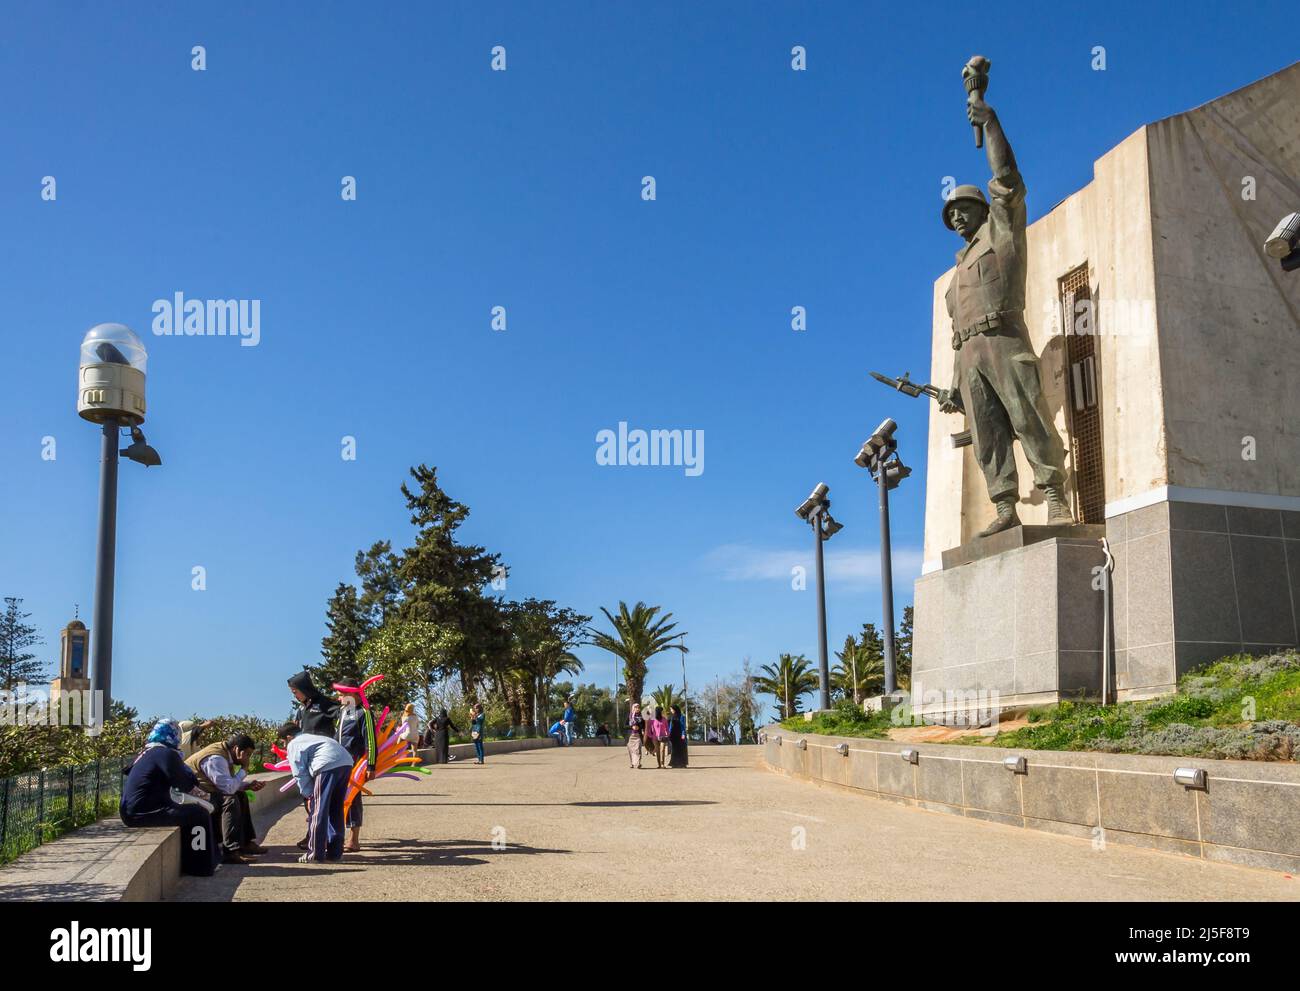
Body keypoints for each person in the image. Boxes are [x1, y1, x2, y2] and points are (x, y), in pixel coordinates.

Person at [934, 82, 1071, 536]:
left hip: (1004, 337)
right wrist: (954, 384)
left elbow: (1008, 180)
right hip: (970, 354)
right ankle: (1005, 504)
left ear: (982, 209)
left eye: (962, 208)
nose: (955, 216)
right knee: (988, 436)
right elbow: (957, 338)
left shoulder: (1002, 233)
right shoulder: (954, 281)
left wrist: (988, 120)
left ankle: (1053, 493)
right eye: (950, 213)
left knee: (1027, 415)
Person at [119, 719, 218, 877]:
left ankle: (193, 862)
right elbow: (183, 784)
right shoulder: (165, 753)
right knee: (199, 814)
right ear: (174, 735)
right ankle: (199, 866)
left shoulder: (148, 751)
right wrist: (207, 798)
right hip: (143, 813)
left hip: (133, 810)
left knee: (190, 813)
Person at [185, 731, 267, 864]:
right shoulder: (216, 758)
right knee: (230, 800)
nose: (248, 758)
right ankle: (231, 851)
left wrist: (247, 786)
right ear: (236, 749)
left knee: (241, 795)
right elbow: (227, 789)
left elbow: (226, 783)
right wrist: (244, 769)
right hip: (194, 796)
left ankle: (245, 842)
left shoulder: (225, 755)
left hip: (207, 792)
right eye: (247, 754)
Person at [279, 722, 353, 864]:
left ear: (288, 737)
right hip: (346, 763)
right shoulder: (313, 738)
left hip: (326, 766)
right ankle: (335, 853)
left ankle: (314, 853)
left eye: (283, 741)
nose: (283, 745)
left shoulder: (294, 743)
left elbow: (299, 773)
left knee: (318, 811)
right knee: (335, 809)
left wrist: (309, 795)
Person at [335, 678, 368, 853]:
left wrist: (370, 766)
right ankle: (337, 836)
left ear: (352, 694)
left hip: (355, 765)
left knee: (354, 799)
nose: (339, 698)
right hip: (338, 764)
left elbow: (370, 741)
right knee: (338, 799)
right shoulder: (342, 713)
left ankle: (354, 839)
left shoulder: (363, 713)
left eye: (342, 695)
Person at [288, 669, 340, 736]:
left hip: (323, 744)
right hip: (306, 744)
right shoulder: (301, 709)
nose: (294, 696)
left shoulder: (323, 702)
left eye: (295, 692)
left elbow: (344, 716)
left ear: (303, 689)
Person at [626, 703, 644, 769]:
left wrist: (640, 728)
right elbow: (625, 726)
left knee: (638, 749)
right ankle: (632, 763)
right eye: (636, 707)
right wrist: (632, 727)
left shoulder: (641, 717)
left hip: (638, 735)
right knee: (631, 750)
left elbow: (643, 726)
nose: (637, 709)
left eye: (638, 707)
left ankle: (638, 763)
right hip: (631, 735)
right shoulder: (630, 716)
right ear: (633, 708)